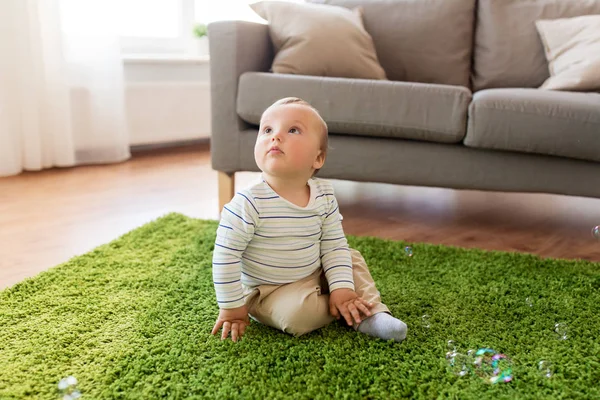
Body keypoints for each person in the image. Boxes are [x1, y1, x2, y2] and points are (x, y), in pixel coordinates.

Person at [211, 97, 407, 343]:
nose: (276, 136)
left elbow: (333, 245)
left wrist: (342, 287)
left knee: (350, 257)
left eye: (292, 130)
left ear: (318, 159)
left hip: (314, 271)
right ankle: (350, 309)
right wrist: (231, 308)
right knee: (295, 317)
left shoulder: (324, 195)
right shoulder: (248, 203)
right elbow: (225, 256)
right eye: (267, 130)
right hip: (268, 292)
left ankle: (371, 313)